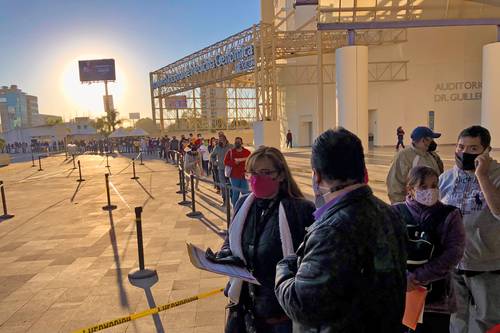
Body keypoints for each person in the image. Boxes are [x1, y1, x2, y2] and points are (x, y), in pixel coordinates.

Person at [275, 127, 407, 332]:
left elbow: (301, 305)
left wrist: (285, 266)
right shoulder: (390, 213)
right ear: (363, 170)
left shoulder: (331, 231)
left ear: (316, 177)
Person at [207, 146, 316, 333]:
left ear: (281, 175)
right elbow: (231, 241)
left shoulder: (301, 210)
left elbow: (309, 262)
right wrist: (223, 257)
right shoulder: (243, 204)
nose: (257, 178)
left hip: (279, 315)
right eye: (253, 173)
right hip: (244, 308)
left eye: (265, 172)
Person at [439, 126, 500, 333]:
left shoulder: (496, 176)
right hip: (454, 263)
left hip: (487, 264)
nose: (464, 152)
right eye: (460, 146)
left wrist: (482, 176)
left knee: (488, 320)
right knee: (456, 319)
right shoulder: (447, 178)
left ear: (486, 151)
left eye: (473, 148)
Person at [392, 166, 465, 333]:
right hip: (402, 297)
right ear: (410, 189)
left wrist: (416, 277)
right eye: (423, 187)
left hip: (437, 301)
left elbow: (453, 253)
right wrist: (402, 278)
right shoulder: (395, 212)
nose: (430, 191)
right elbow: (385, 250)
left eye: (434, 186)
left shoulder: (450, 215)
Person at [387, 126, 444, 203]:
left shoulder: (433, 155)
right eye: (430, 140)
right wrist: (401, 207)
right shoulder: (403, 156)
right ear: (423, 140)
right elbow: (394, 185)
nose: (432, 143)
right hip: (412, 207)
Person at [224, 137, 251, 207]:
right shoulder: (231, 152)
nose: (237, 143)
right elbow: (225, 162)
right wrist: (234, 162)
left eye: (238, 142)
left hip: (244, 176)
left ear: (241, 143)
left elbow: (251, 162)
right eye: (236, 142)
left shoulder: (247, 152)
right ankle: (235, 208)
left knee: (245, 193)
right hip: (234, 176)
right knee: (235, 193)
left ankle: (245, 208)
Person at [210, 134, 233, 207]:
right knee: (223, 185)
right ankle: (225, 201)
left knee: (231, 186)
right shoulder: (217, 147)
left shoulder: (231, 146)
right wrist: (214, 162)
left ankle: (232, 201)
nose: (220, 141)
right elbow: (212, 156)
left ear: (225, 139)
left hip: (230, 169)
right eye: (219, 139)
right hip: (221, 169)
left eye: (221, 139)